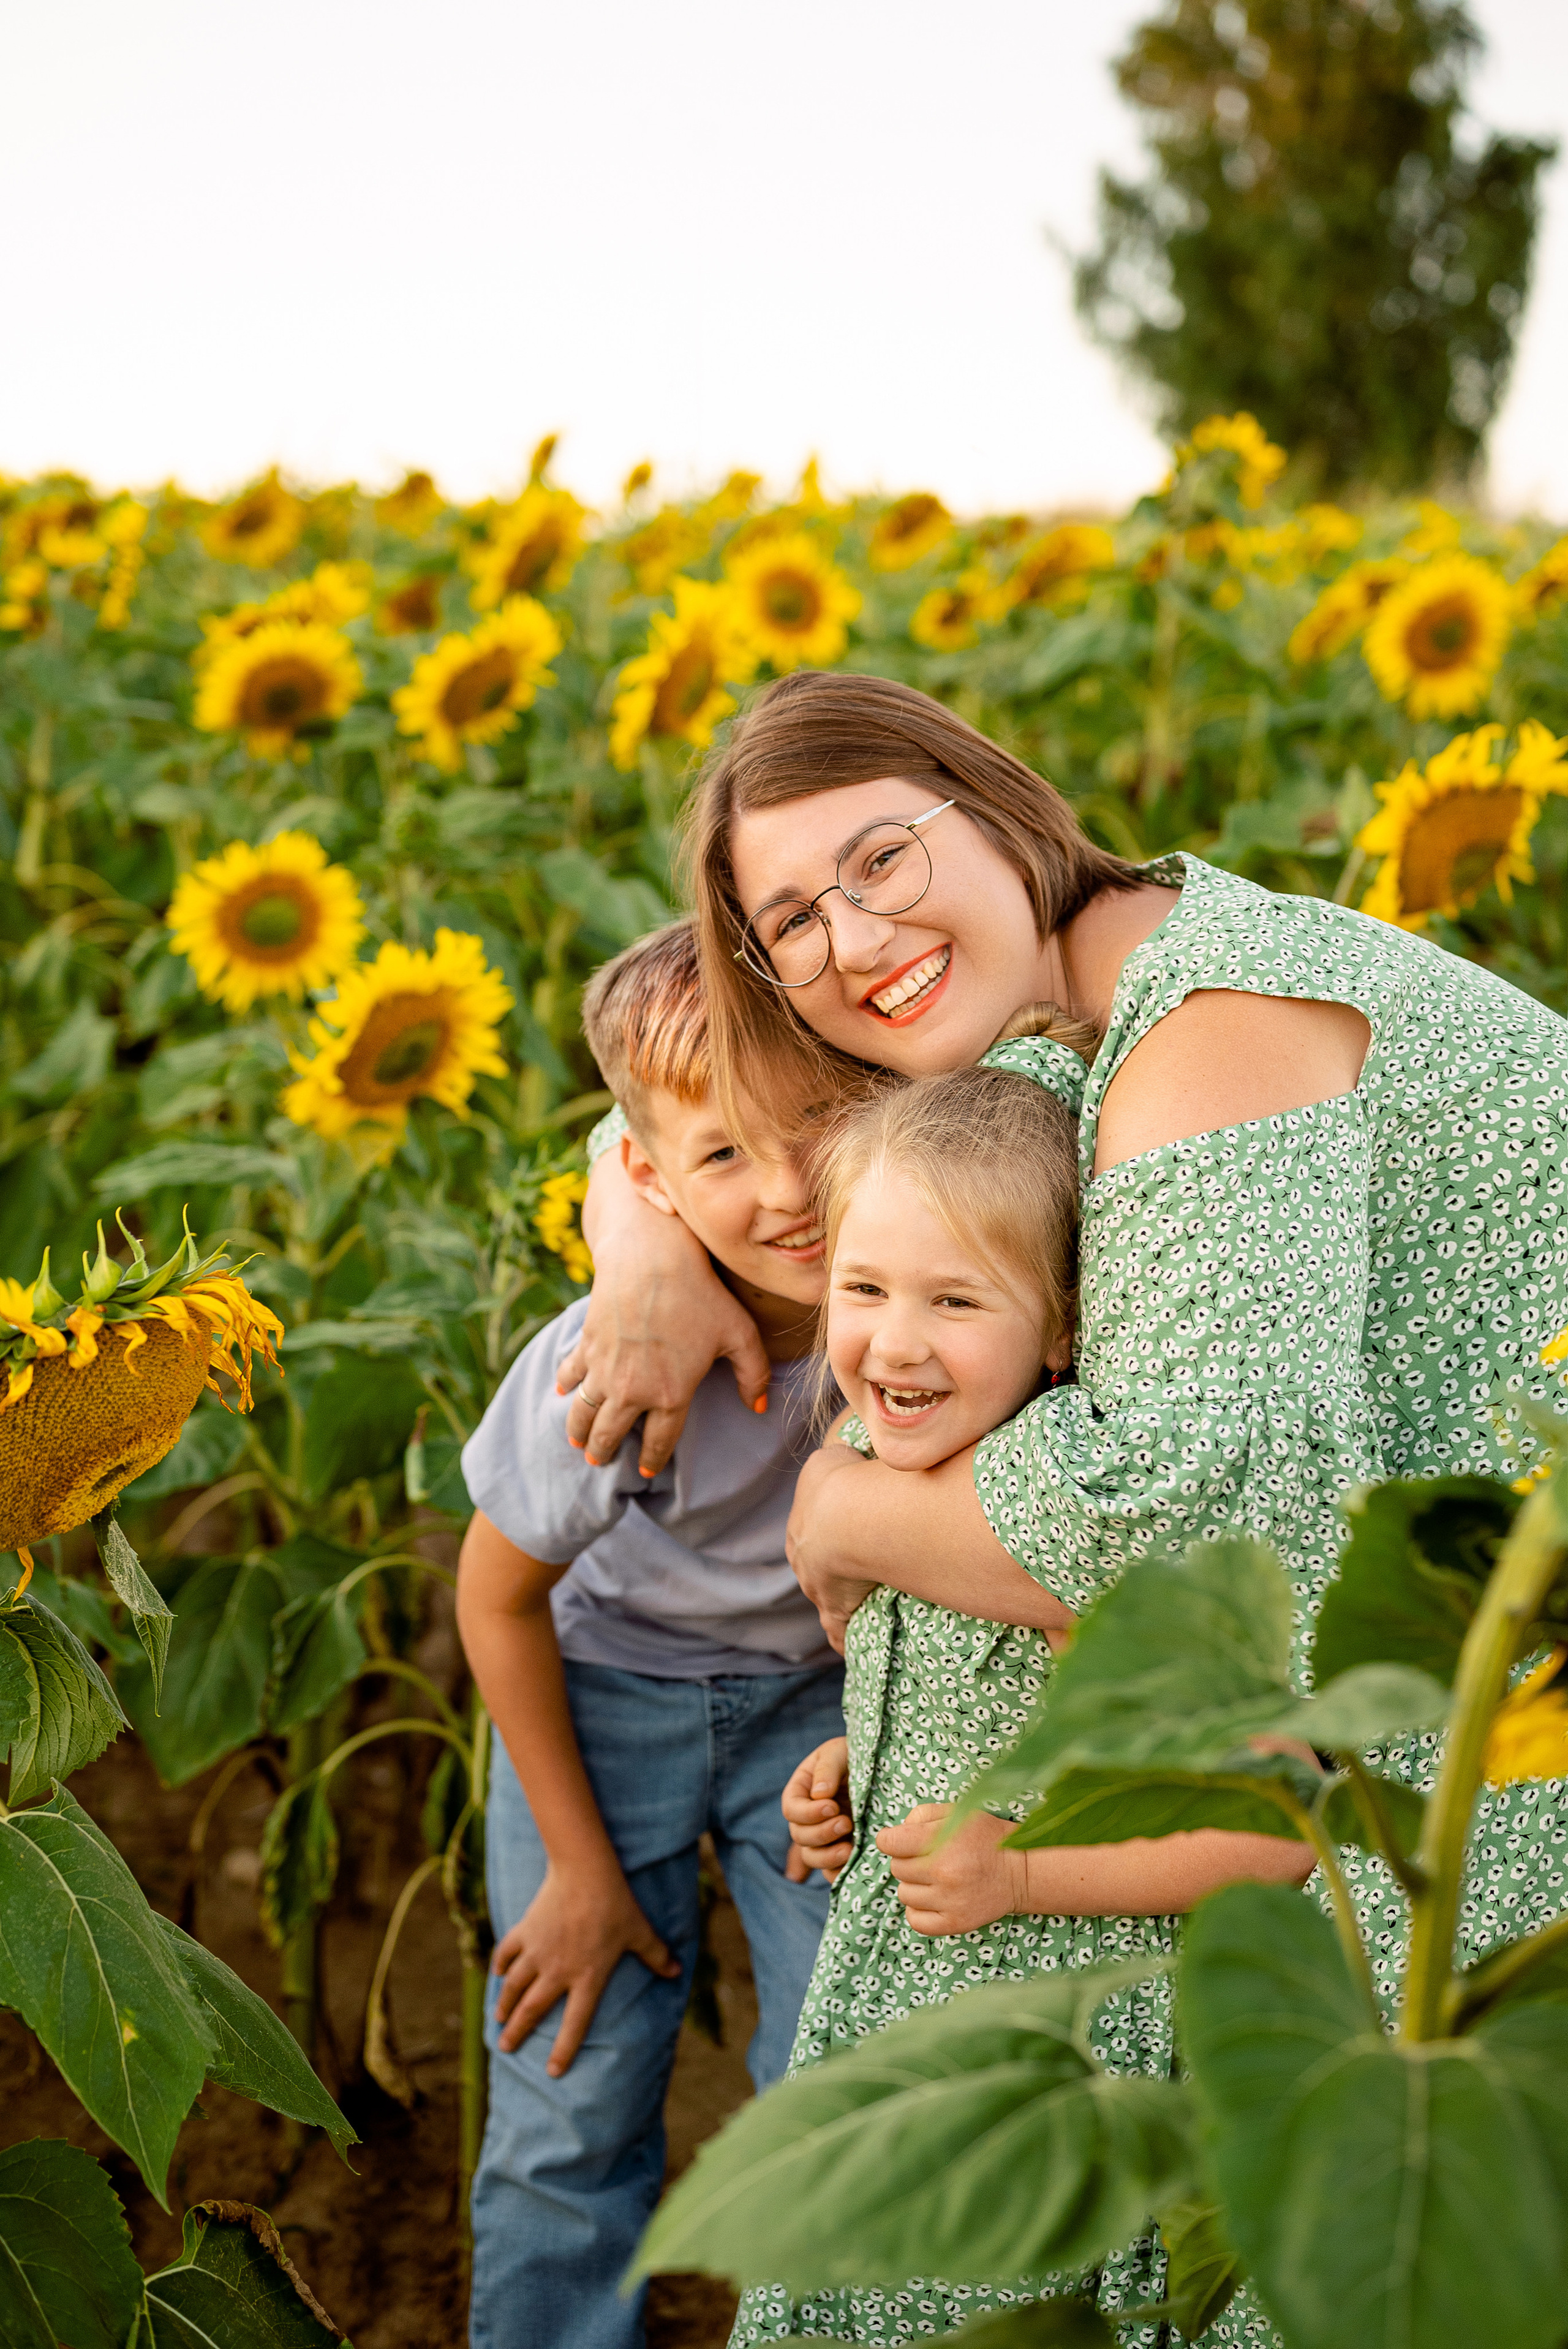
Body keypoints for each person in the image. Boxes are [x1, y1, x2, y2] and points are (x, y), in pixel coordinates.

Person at [563, 671, 1568, 2342]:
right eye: (790, 921)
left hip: (1493, 1767)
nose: (854, 939)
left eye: (881, 858)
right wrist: (638, 1237)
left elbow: (1187, 1539)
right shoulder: (1073, 1007)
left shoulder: (1208, 1032)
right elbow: (668, 1109)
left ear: (995, 807)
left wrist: (838, 1515)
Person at [739, 1034, 1319, 2342]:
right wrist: (861, 1761)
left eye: (956, 1300)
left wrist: (1017, 1872)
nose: (895, 1341)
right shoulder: (883, 1457)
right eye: (863, 1287)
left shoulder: (1064, 1524)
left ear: (1062, 1327)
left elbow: (1279, 1824)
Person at [456, 919, 848, 2349]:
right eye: (725, 1152)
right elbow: (495, 1598)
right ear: (646, 1178)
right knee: (568, 2091)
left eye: (815, 1124)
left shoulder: (923, 1311)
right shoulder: (613, 1363)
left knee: (843, 2071)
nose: (787, 1189)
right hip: (599, 1697)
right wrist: (575, 1869)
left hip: (821, 1707)